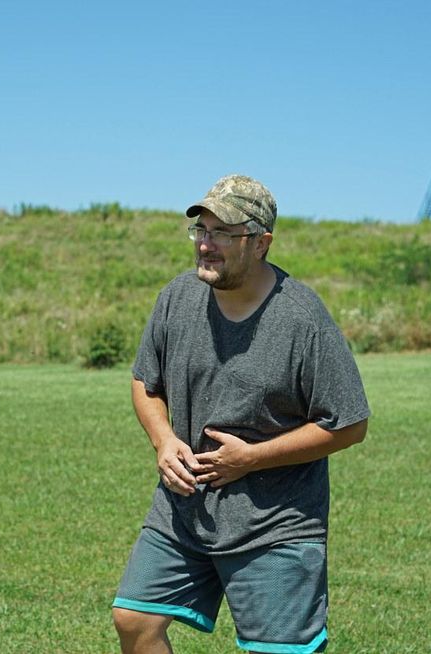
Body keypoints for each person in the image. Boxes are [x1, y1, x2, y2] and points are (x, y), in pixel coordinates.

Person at [112, 175, 370, 654]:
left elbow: (349, 423)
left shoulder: (301, 318)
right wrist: (164, 441)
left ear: (260, 243)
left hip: (275, 522)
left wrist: (252, 458)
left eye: (223, 234)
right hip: (184, 510)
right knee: (135, 618)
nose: (206, 245)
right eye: (201, 231)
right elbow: (145, 383)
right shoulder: (177, 298)